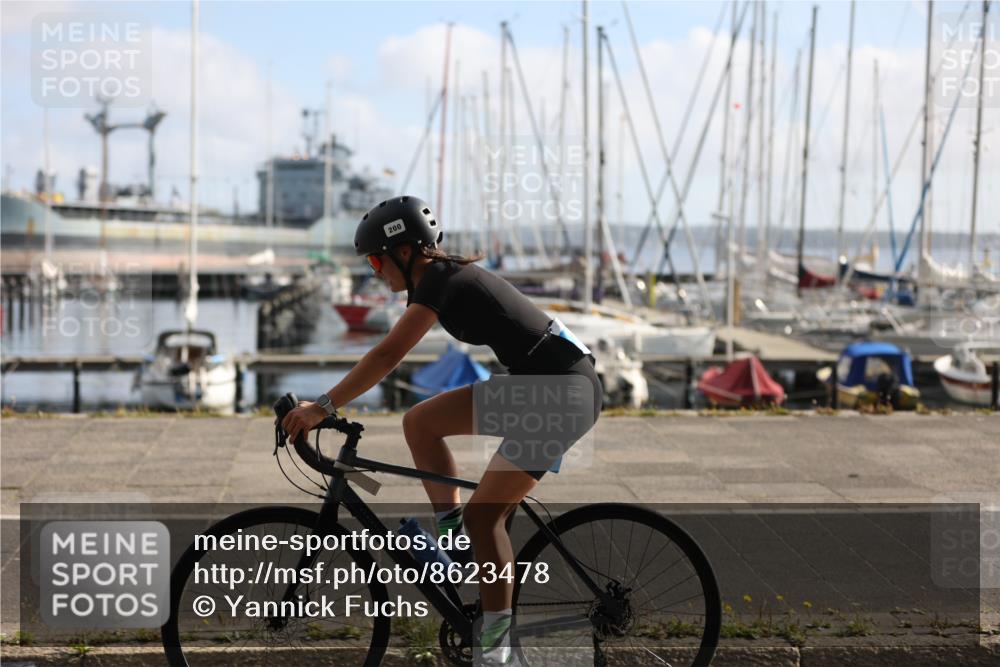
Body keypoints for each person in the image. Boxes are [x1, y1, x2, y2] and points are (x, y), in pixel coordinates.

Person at [281, 195, 601, 666]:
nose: (373, 271)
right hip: (540, 385)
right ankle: (453, 546)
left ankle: (496, 652)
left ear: (405, 251)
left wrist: (324, 406)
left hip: (563, 395)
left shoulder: (442, 280)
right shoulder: (439, 280)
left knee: (484, 519)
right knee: (420, 422)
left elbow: (388, 356)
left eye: (374, 259)